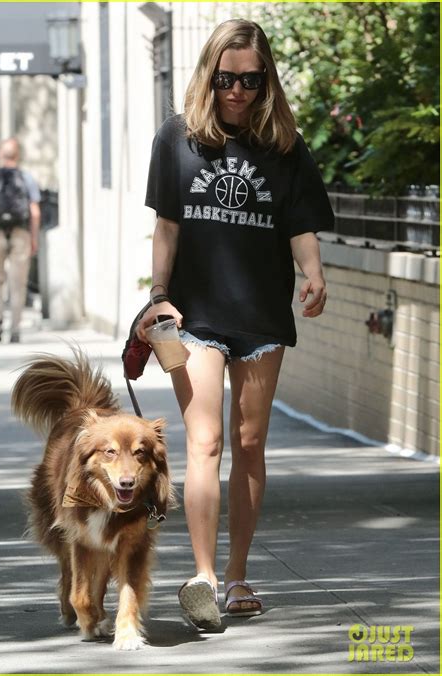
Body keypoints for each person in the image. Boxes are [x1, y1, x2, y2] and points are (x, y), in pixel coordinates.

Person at [137, 19, 334, 630]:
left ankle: (240, 573)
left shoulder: (286, 147)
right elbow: (167, 226)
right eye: (227, 79)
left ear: (265, 79)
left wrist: (313, 271)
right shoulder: (176, 139)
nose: (238, 91)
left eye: (251, 80)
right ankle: (203, 576)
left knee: (249, 444)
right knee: (205, 442)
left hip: (262, 314)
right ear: (208, 74)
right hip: (192, 316)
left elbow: (301, 222)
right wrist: (158, 296)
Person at [0, 138, 41, 343]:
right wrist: (34, 238)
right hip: (21, 233)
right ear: (17, 155)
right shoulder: (26, 178)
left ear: (1, 155)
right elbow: (35, 211)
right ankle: (15, 329)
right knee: (18, 284)